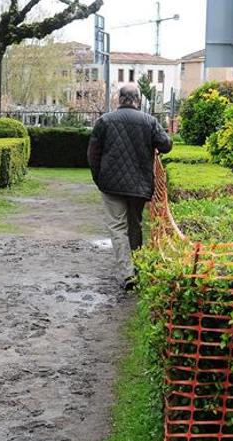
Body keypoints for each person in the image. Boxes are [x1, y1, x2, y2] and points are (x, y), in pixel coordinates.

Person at [87, 83, 173, 291]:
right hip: (140, 184)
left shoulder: (104, 121)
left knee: (117, 227)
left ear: (119, 99)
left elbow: (93, 153)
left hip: (110, 184)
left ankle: (127, 273)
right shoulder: (149, 121)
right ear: (138, 100)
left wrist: (99, 178)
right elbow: (166, 145)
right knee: (135, 224)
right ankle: (138, 265)